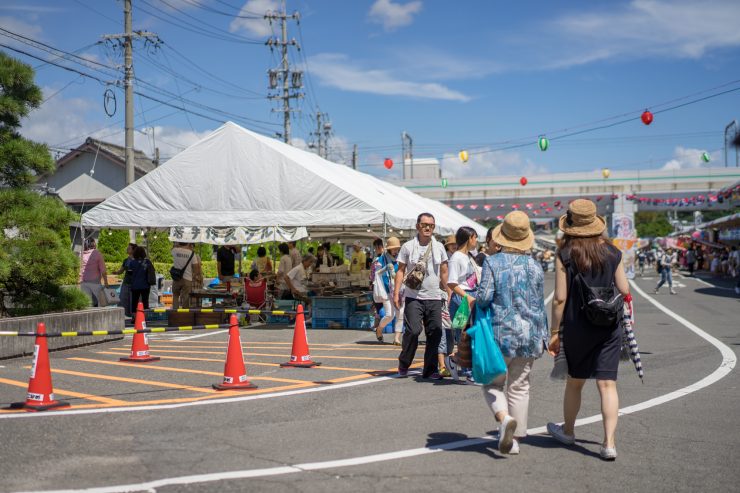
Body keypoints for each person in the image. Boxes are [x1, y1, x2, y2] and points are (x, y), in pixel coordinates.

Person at [546, 199, 630, 461]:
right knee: (607, 385)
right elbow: (625, 290)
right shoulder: (613, 252)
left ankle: (568, 431)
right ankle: (609, 443)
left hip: (577, 326)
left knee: (575, 383)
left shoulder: (566, 254)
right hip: (608, 326)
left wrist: (554, 332)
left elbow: (560, 298)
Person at [476, 211, 547, 455]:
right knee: (520, 385)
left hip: (499, 334)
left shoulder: (492, 262)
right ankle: (515, 438)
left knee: (492, 384)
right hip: (530, 335)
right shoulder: (535, 266)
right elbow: (539, 303)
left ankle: (504, 419)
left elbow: (484, 297)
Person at [393, 212, 449, 379]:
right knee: (413, 331)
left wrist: (449, 291)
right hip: (413, 297)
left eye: (431, 225)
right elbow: (400, 271)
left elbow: (444, 271)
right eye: (424, 225)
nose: (428, 228)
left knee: (436, 331)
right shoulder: (408, 246)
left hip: (434, 297)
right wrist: (396, 293)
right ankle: (404, 363)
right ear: (418, 226)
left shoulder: (439, 246)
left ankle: (430, 369)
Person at [444, 226, 480, 383]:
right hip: (462, 299)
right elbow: (451, 282)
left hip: (470, 296)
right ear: (469, 238)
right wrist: (467, 297)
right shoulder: (457, 257)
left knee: (471, 335)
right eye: (475, 237)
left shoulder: (469, 256)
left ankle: (454, 361)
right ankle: (467, 372)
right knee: (464, 336)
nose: (477, 241)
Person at [373, 237, 401, 344]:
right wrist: (385, 268)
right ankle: (379, 329)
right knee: (390, 315)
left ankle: (396, 338)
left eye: (397, 248)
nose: (395, 251)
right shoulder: (382, 258)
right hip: (386, 290)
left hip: (399, 289)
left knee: (400, 314)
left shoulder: (400, 258)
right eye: (393, 249)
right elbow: (376, 273)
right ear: (389, 249)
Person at [79, 238, 109, 307]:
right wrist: (106, 282)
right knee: (100, 303)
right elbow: (103, 270)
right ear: (93, 244)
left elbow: (79, 268)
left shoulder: (81, 254)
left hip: (84, 282)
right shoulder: (97, 254)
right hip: (95, 282)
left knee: (87, 304)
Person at [171, 242, 199, 309]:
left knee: (175, 296)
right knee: (186, 298)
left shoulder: (175, 250)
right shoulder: (192, 254)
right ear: (189, 244)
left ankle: (175, 314)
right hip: (187, 279)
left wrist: (177, 244)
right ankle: (184, 316)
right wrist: (193, 276)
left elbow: (173, 246)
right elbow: (196, 268)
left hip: (176, 278)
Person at [113, 243, 137, 317]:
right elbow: (121, 270)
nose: (127, 249)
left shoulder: (137, 260)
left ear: (133, 250)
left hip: (134, 284)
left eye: (129, 248)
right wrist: (116, 272)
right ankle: (123, 315)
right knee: (123, 299)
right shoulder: (126, 260)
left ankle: (133, 316)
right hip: (126, 283)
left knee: (133, 301)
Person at [129, 246, 155, 314]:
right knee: (145, 302)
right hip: (145, 285)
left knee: (134, 302)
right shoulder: (147, 262)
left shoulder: (132, 262)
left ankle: (134, 317)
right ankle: (145, 317)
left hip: (135, 285)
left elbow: (129, 273)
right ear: (143, 253)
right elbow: (152, 271)